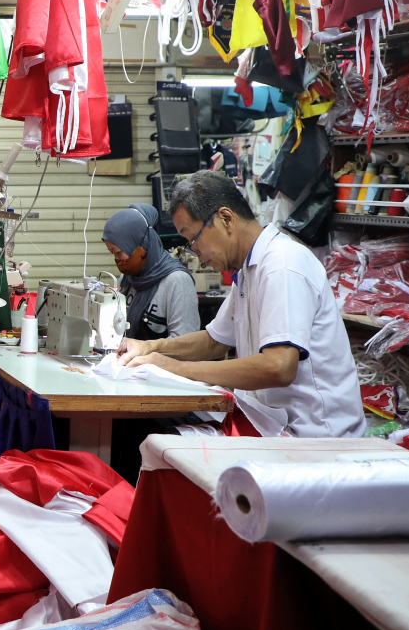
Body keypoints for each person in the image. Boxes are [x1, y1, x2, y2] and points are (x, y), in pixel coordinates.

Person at [117, 171, 364, 438]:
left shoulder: (282, 264)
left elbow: (279, 367)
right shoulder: (249, 269)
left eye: (193, 239)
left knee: (165, 445)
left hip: (314, 435)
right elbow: (215, 341)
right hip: (272, 421)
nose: (194, 252)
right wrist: (151, 347)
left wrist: (175, 368)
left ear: (225, 219)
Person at [102, 204, 200, 340]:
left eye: (119, 252)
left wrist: (144, 352)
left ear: (141, 245)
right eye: (112, 253)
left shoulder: (177, 281)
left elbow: (186, 343)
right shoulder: (128, 278)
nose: (118, 260)